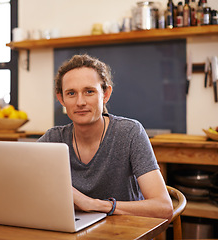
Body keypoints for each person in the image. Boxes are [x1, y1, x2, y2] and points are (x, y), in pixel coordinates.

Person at [37, 54, 173, 220]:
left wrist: (94, 205)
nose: (80, 102)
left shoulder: (130, 133)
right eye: (71, 93)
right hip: (76, 231)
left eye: (89, 91)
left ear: (106, 94)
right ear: (61, 99)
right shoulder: (53, 138)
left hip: (127, 232)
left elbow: (163, 207)